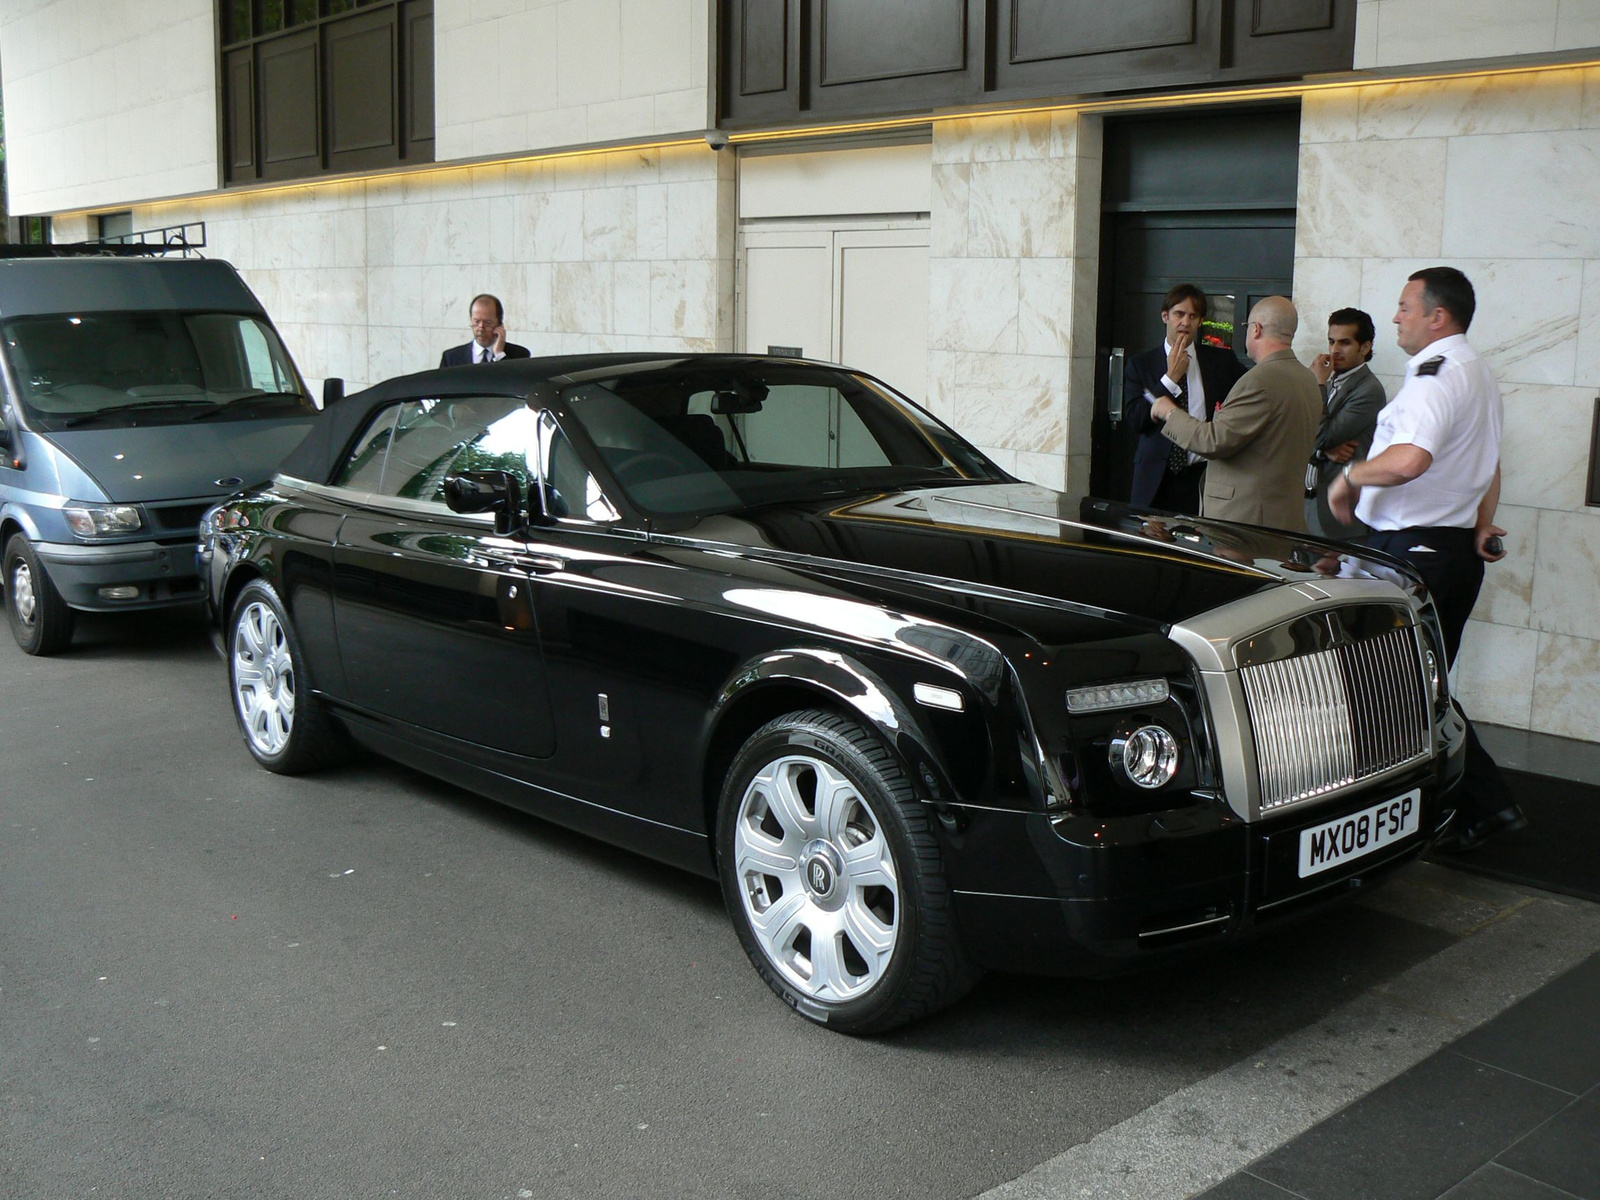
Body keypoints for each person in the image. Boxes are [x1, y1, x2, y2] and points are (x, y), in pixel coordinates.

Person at [1328, 266, 1523, 853]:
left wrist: (1348, 478)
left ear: (1437, 317)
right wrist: (1483, 520)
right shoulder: (1475, 370)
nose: (1395, 318)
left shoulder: (1439, 375)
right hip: (1439, 547)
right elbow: (1486, 464)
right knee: (1415, 685)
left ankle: (1471, 805)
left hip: (1417, 549)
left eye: (1405, 307)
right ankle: (1479, 806)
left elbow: (1411, 460)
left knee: (1403, 687)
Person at [1149, 296, 1321, 531]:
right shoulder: (1308, 378)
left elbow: (1214, 441)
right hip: (1282, 515)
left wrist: (1169, 412)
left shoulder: (1259, 380)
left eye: (1247, 327)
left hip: (1246, 519)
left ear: (1256, 330)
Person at [1125, 284, 1247, 513]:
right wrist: (1170, 378)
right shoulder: (1142, 364)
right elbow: (1135, 419)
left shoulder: (1221, 361)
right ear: (1165, 316)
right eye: (1179, 314)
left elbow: (1251, 393)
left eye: (1193, 316)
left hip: (1203, 475)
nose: (1185, 322)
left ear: (1200, 321)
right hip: (1156, 478)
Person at [1305, 307, 1386, 540]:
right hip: (1308, 501)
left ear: (1365, 347)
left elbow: (1322, 436)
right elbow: (1297, 434)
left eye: (1344, 343)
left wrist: (1317, 384)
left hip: (1339, 511)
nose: (1334, 351)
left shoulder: (1368, 390)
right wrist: (1323, 452)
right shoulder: (1332, 383)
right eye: (1331, 342)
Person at [440, 294, 531, 367]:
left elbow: (516, 383)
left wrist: (499, 355)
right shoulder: (451, 358)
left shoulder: (519, 356)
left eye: (487, 323)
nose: (481, 327)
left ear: (499, 325)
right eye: (476, 321)